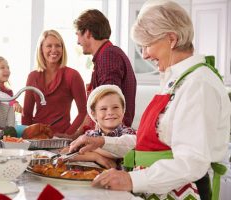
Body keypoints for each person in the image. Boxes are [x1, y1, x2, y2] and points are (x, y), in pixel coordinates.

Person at [69, 1, 231, 199]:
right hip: (160, 189)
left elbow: (192, 162)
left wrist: (131, 180)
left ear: (171, 38)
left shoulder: (199, 84)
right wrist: (102, 141)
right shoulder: (176, 79)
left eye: (147, 44)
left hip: (186, 191)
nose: (144, 54)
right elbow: (147, 141)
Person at [74, 9, 137, 128]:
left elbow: (109, 106)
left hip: (110, 137)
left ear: (87, 32)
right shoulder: (107, 55)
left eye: (78, 35)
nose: (78, 42)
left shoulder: (108, 56)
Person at [22, 29, 87, 139]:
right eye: (49, 46)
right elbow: (27, 114)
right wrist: (26, 137)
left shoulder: (72, 75)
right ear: (41, 49)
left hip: (61, 137)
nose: (54, 50)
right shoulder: (32, 76)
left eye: (58, 46)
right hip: (37, 138)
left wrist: (68, 134)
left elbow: (83, 112)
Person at [65, 85, 135, 169]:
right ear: (94, 114)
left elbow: (118, 152)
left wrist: (90, 149)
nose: (110, 112)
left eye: (115, 107)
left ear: (123, 110)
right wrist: (96, 157)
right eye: (103, 109)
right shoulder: (89, 134)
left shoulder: (128, 133)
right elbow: (66, 153)